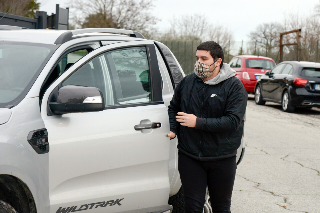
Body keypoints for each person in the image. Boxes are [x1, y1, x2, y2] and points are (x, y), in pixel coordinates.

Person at [167, 41, 247, 213]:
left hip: (222, 158)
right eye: (197, 58)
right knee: (192, 207)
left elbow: (233, 121)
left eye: (204, 58)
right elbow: (174, 107)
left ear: (218, 62)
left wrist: (198, 122)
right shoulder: (187, 82)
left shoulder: (234, 87)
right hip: (190, 156)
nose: (199, 63)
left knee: (221, 207)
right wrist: (174, 129)